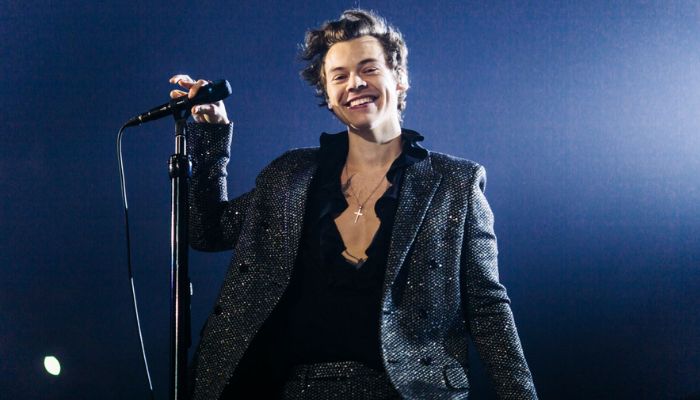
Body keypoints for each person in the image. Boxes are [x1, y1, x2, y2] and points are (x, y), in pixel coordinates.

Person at [171, 9, 537, 400]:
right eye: (339, 76)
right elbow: (208, 232)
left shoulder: (455, 183)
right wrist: (211, 138)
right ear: (328, 96)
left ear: (399, 78)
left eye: (369, 69)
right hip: (289, 388)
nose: (355, 84)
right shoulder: (290, 175)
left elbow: (487, 306)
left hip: (403, 391)